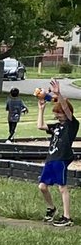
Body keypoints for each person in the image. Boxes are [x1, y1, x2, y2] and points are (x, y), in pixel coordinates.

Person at [39, 90, 78, 228]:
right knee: (42, 186)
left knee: (62, 187)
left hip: (61, 158)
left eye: (59, 113)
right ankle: (51, 208)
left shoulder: (71, 124)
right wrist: (41, 109)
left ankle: (67, 217)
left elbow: (66, 109)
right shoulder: (57, 126)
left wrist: (58, 94)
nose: (57, 115)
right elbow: (40, 126)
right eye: (56, 113)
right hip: (51, 158)